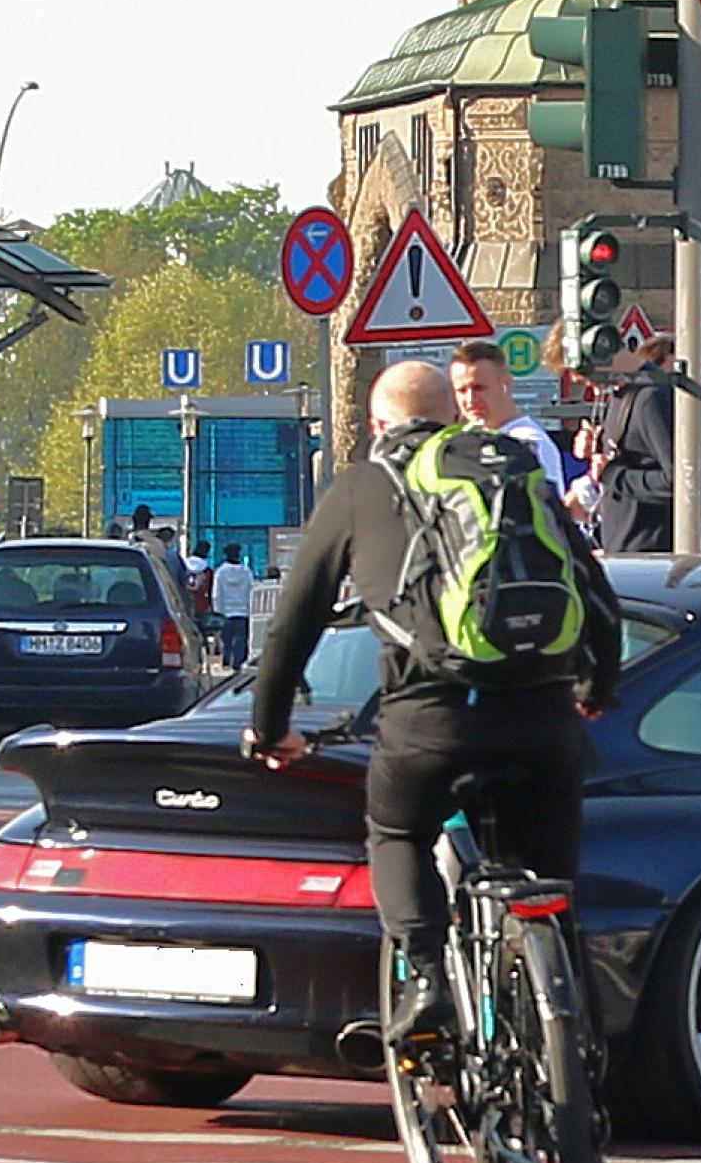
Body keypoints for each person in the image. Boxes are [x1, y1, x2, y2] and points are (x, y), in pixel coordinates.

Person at [248, 362, 623, 1045]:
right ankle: (576, 1051)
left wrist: (270, 728)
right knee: (550, 887)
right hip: (542, 721)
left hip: (429, 722)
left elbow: (293, 623)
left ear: (375, 426)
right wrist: (595, 689)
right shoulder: (512, 477)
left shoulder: (362, 486)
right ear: (454, 417)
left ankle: (424, 977)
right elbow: (596, 595)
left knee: (396, 833)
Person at [593, 333, 677, 552]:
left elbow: (679, 480)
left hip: (649, 554)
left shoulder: (650, 398)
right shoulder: (624, 396)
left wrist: (613, 475)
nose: (574, 379)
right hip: (624, 548)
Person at [448, 340, 568, 489]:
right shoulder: (462, 439)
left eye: (479, 388)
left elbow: (548, 508)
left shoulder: (529, 442)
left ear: (506, 383)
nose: (470, 399)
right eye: (462, 390)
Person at [211, 541, 256, 670]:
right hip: (243, 612)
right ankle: (238, 663)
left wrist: (218, 612)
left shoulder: (220, 572)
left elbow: (216, 594)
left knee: (226, 640)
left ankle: (226, 661)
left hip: (225, 613)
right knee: (241, 641)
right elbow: (251, 591)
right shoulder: (246, 572)